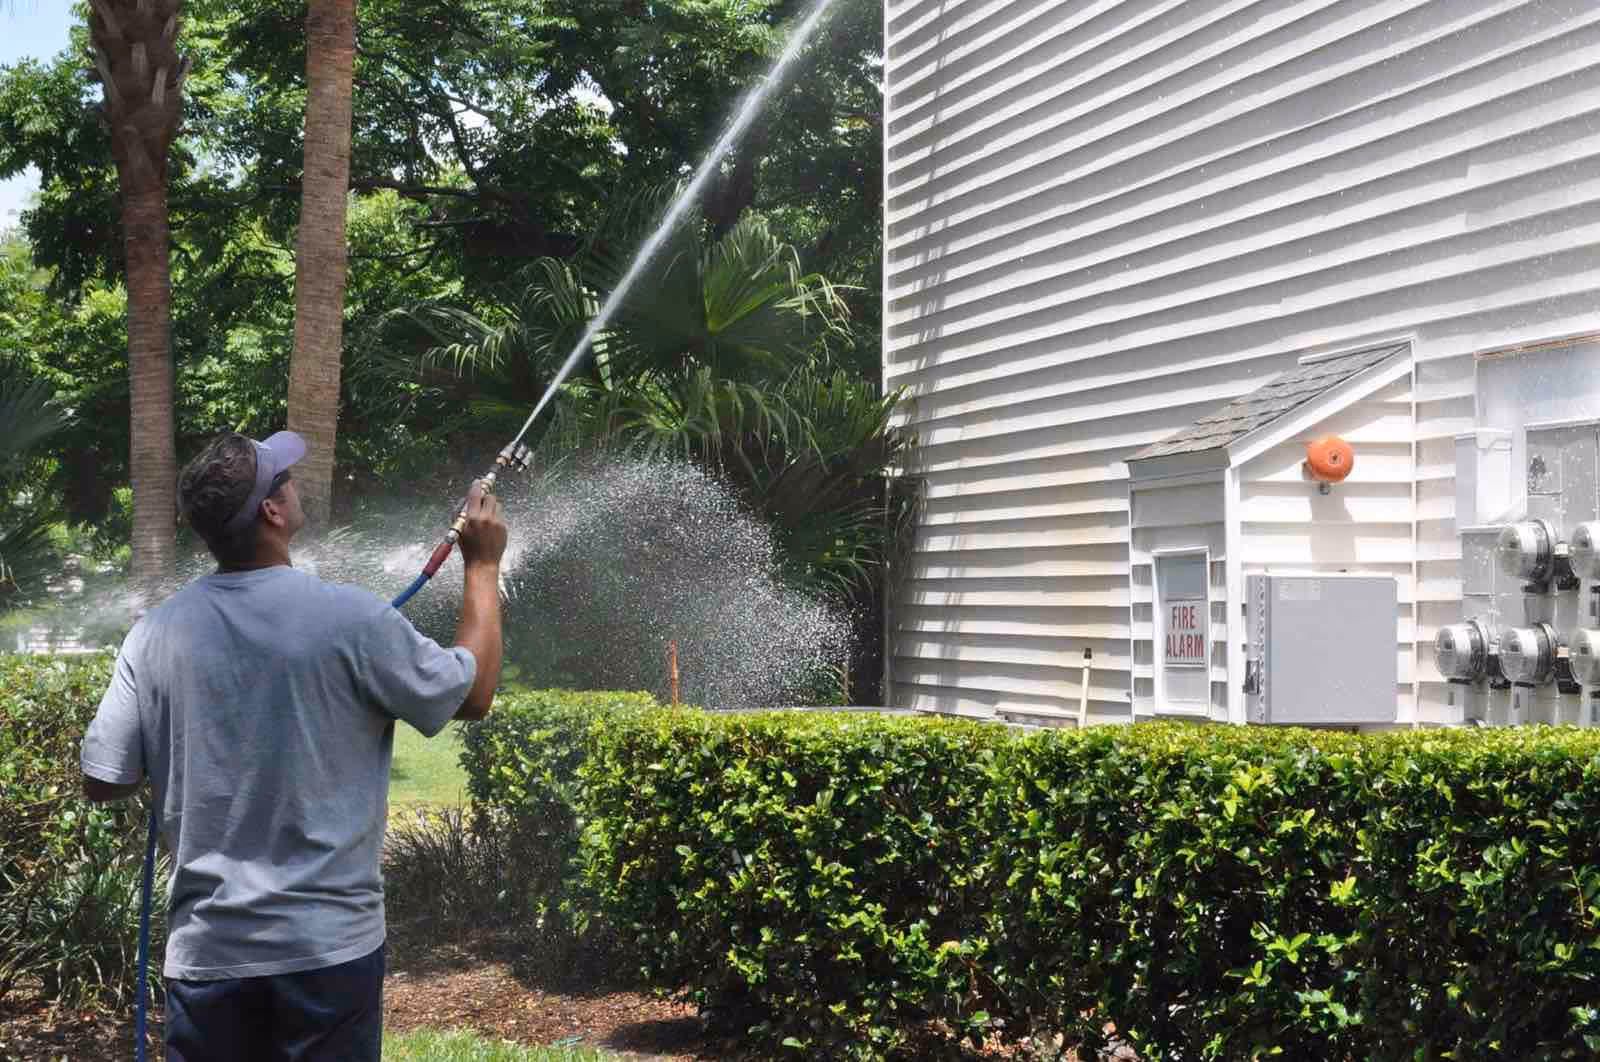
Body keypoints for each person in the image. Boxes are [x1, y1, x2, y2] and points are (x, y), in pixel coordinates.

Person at [79, 429, 508, 1062]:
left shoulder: (155, 633)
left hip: (207, 958)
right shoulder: (353, 620)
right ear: (273, 513)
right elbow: (470, 694)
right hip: (325, 953)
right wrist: (483, 564)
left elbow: (105, 780)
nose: (294, 481)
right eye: (284, 477)